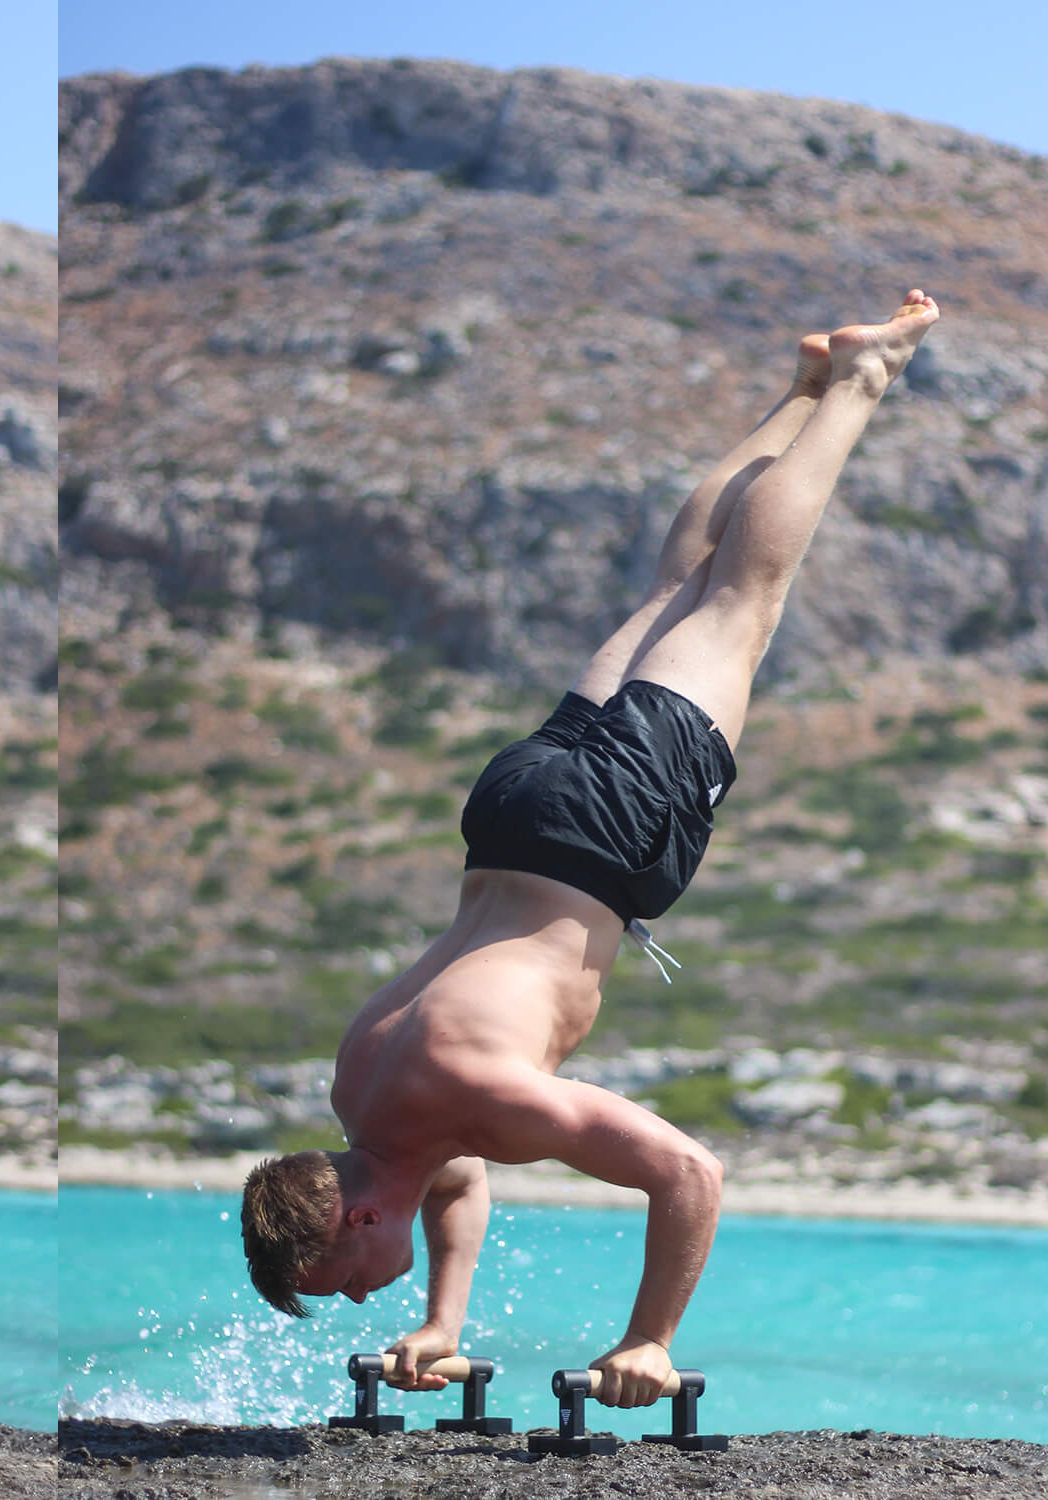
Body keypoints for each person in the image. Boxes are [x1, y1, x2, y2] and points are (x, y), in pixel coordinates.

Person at [240, 291, 941, 1409]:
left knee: (740, 600)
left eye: (343, 1284)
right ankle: (800, 387)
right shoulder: (367, 1093)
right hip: (514, 814)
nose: (355, 1299)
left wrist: (646, 1339)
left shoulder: (469, 1094)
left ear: (354, 1218)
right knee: (669, 592)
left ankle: (856, 380)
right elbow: (448, 1175)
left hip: (605, 839)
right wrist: (441, 1318)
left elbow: (685, 1172)